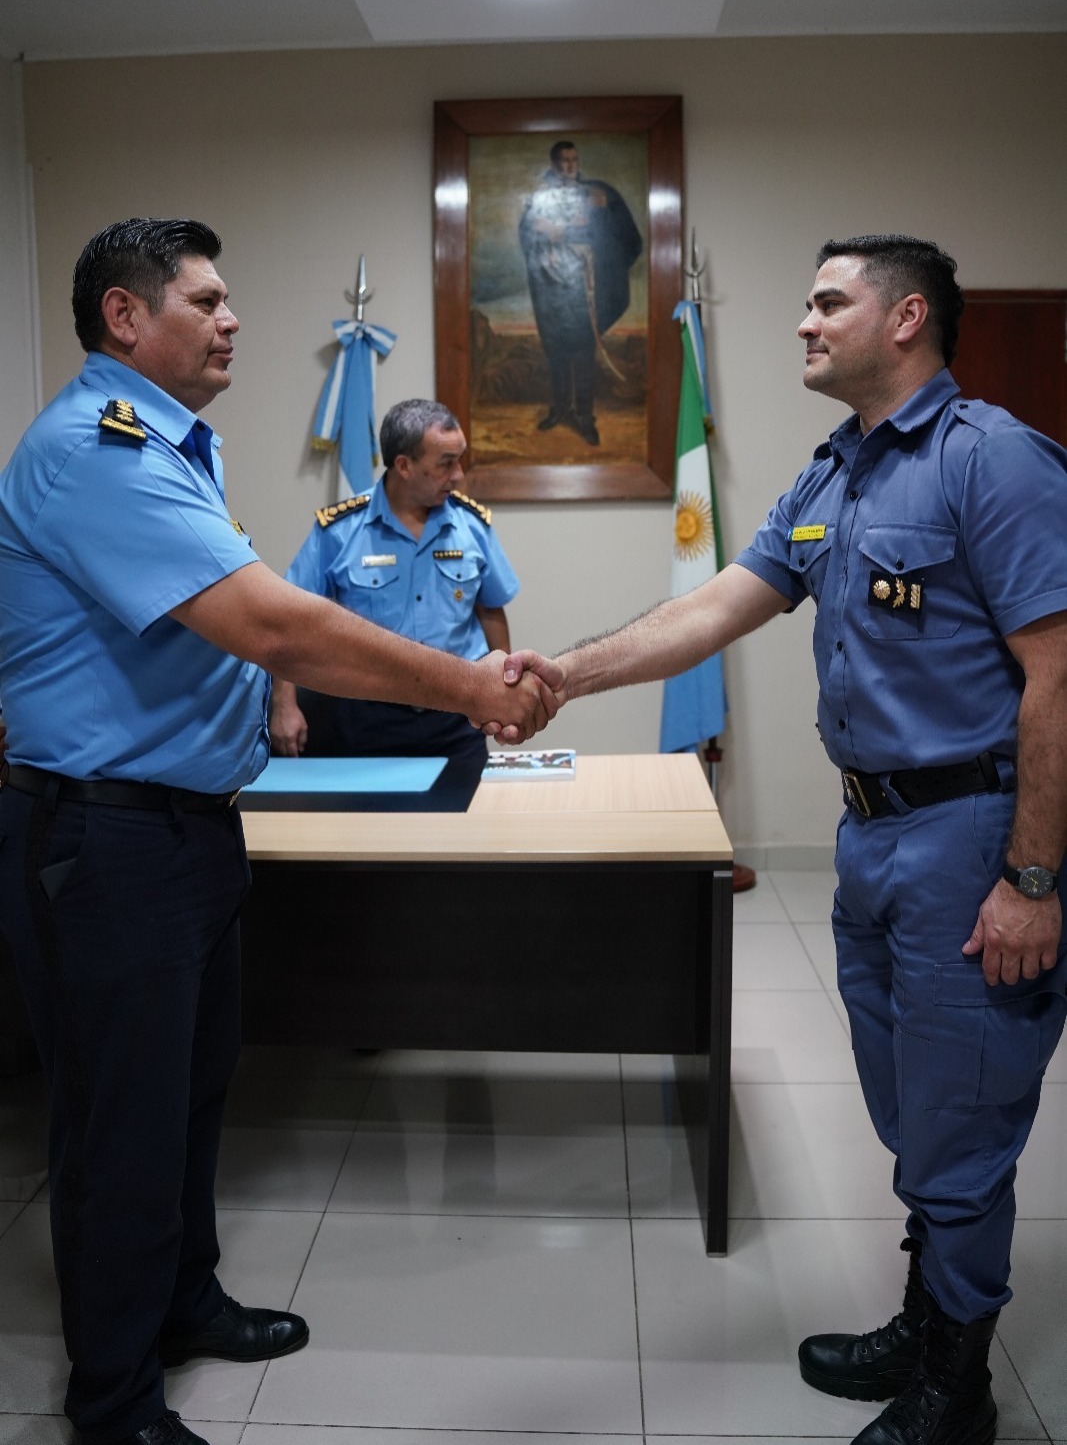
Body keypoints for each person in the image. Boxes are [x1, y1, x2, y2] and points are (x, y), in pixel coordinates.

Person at [497, 235, 1067, 1445]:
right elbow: (713, 606)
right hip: (871, 838)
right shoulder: (833, 475)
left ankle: (954, 1389)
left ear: (904, 318)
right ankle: (924, 1317)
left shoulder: (991, 460)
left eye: (826, 303)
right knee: (911, 1109)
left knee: (960, 1124)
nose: (803, 323)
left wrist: (1029, 878)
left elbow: (1055, 678)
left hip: (970, 837)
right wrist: (564, 674)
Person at [0, 218, 552, 1445]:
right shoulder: (100, 449)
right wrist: (473, 687)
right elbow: (277, 627)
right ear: (125, 317)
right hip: (107, 841)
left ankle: (182, 1303)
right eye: (205, 299)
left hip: (184, 828)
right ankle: (114, 1405)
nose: (231, 317)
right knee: (119, 1128)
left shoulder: (167, 449)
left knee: (191, 1098)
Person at [270, 398, 518, 788]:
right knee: (369, 824)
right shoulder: (340, 531)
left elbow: (490, 611)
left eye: (459, 460)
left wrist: (504, 689)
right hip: (365, 720)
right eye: (446, 463)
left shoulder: (472, 525)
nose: (458, 475)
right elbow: (289, 618)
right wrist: (284, 705)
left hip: (457, 719)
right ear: (403, 466)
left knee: (465, 822)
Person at [518, 139, 642, 446]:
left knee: (584, 351)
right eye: (564, 160)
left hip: (584, 288)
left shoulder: (595, 195)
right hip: (551, 289)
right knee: (556, 351)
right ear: (554, 164)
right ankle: (561, 408)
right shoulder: (540, 200)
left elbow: (612, 235)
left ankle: (584, 416)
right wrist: (545, 244)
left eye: (574, 160)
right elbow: (529, 233)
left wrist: (563, 232)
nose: (569, 166)